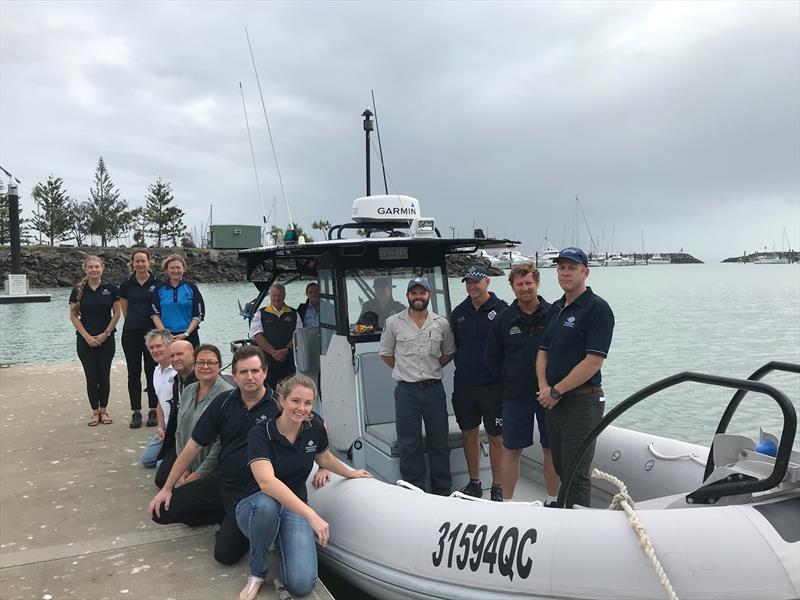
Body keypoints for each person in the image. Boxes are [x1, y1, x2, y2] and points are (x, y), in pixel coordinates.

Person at [235, 374, 372, 600]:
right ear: (282, 401)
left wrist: (352, 473)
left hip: (293, 507)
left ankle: (278, 539)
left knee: (301, 585)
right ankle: (257, 572)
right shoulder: (261, 433)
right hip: (255, 507)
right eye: (295, 401)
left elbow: (324, 457)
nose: (301, 408)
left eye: (307, 403)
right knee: (267, 505)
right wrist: (311, 515)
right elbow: (266, 482)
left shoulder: (314, 427)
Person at [147, 346, 281, 567]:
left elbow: (311, 428)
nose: (250, 377)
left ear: (265, 372)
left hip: (250, 491)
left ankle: (233, 522)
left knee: (225, 556)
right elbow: (193, 445)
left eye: (255, 371)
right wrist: (167, 488)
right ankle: (223, 515)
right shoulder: (224, 402)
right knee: (159, 512)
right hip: (222, 480)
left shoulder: (278, 406)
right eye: (243, 372)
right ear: (235, 375)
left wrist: (323, 464)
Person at [537, 247, 614, 509]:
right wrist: (545, 388)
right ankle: (566, 516)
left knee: (576, 475)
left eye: (572, 267)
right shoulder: (556, 308)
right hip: (554, 403)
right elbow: (542, 352)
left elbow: (593, 361)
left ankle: (579, 532)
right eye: (561, 267)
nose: (565, 273)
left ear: (585, 272)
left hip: (582, 403)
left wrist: (556, 390)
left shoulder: (598, 309)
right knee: (561, 467)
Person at [486, 262, 559, 503]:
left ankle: (553, 499)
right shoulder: (503, 319)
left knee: (551, 449)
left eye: (529, 283)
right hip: (515, 396)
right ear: (512, 287)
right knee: (512, 450)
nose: (525, 288)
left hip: (549, 395)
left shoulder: (554, 314)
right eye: (520, 284)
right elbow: (492, 359)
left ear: (537, 283)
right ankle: (507, 504)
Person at [379, 276, 456, 495]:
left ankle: (442, 489)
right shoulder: (394, 323)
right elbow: (385, 354)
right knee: (409, 443)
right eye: (414, 293)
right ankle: (414, 491)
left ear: (429, 295)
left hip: (434, 390)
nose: (418, 297)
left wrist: (431, 368)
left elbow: (448, 352)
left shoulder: (441, 323)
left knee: (439, 441)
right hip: (406, 391)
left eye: (422, 293)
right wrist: (406, 369)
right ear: (408, 296)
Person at [451, 265, 508, 502]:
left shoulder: (503, 310)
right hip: (465, 385)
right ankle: (475, 483)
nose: (472, 286)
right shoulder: (458, 312)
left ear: (487, 282)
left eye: (476, 281)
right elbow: (453, 346)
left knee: (496, 437)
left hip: (493, 386)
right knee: (468, 433)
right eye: (468, 282)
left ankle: (498, 486)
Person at [155, 344, 232, 489]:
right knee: (162, 481)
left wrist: (197, 475)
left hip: (211, 467)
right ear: (194, 364)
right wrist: (182, 467)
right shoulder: (188, 390)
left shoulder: (227, 395)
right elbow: (179, 432)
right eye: (200, 362)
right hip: (189, 460)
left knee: (171, 507)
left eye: (210, 363)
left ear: (220, 366)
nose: (205, 367)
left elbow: (220, 445)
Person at [69, 255, 121, 426]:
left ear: (102, 268)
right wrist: (87, 337)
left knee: (104, 376)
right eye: (90, 267)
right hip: (85, 340)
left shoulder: (111, 289)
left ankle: (104, 410)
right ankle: (94, 411)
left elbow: (117, 314)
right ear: (85, 269)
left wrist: (105, 333)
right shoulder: (78, 290)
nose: (94, 270)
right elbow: (74, 316)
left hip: (106, 339)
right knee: (91, 377)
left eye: (97, 267)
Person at [118, 248, 159, 428]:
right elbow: (125, 310)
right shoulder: (126, 285)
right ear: (132, 263)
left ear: (149, 262)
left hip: (152, 334)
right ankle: (136, 411)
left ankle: (153, 409)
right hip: (131, 333)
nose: (141, 264)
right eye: (137, 261)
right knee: (133, 373)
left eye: (144, 261)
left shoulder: (158, 284)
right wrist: (135, 322)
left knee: (152, 372)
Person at [153, 340, 198, 484]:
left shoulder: (200, 381)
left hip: (197, 440)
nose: (175, 359)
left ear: (194, 355)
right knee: (160, 478)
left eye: (180, 354)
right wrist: (163, 428)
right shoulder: (177, 381)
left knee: (163, 475)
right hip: (179, 437)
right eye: (172, 355)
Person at [248, 283, 301, 389]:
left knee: (288, 389)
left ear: (284, 295)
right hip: (267, 361)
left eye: (280, 295)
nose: (277, 298)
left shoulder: (294, 313)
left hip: (288, 360)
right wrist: (274, 353)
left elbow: (298, 335)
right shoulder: (260, 314)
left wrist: (285, 350)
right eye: (274, 295)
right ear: (270, 296)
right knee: (267, 390)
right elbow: (257, 336)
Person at [151, 254, 204, 347]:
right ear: (166, 270)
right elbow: (154, 314)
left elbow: (198, 314)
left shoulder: (192, 288)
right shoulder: (159, 289)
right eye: (172, 268)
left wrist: (186, 334)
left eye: (178, 267)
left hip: (189, 336)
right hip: (165, 337)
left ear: (184, 269)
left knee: (191, 361)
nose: (175, 271)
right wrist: (166, 334)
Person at [140, 330, 175, 468]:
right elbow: (160, 403)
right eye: (151, 347)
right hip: (167, 428)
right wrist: (161, 428)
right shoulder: (156, 371)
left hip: (179, 430)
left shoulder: (176, 372)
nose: (155, 350)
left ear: (169, 346)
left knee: (161, 467)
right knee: (147, 460)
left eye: (159, 346)